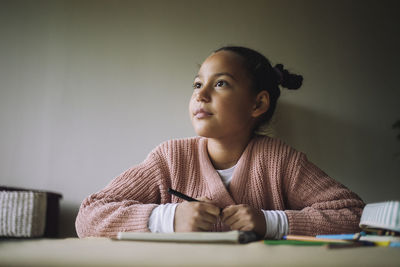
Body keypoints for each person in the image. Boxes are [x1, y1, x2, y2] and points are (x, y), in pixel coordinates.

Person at [75, 46, 364, 239]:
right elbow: (88, 217)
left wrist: (270, 222)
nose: (200, 95)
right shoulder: (170, 158)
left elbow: (354, 215)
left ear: (258, 103)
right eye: (197, 84)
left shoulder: (280, 161)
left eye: (221, 83)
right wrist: (168, 219)